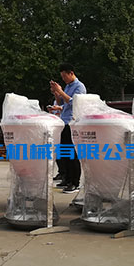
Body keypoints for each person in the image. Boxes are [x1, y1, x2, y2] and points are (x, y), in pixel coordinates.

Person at [47, 63, 86, 193]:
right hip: (63, 122)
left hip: (72, 123)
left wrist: (60, 91)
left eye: (64, 76)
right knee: (64, 153)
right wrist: (56, 93)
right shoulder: (68, 86)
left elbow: (74, 102)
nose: (63, 79)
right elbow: (62, 103)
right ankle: (67, 179)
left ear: (71, 73)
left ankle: (75, 182)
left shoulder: (79, 87)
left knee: (72, 154)